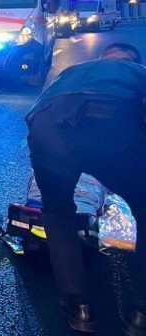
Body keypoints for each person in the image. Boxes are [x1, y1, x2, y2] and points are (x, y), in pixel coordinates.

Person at [25, 42, 146, 334]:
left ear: (102, 59)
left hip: (48, 129)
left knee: (58, 212)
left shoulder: (75, 71)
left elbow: (38, 109)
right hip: (115, 127)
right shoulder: (139, 73)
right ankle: (141, 311)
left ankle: (79, 306)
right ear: (134, 61)